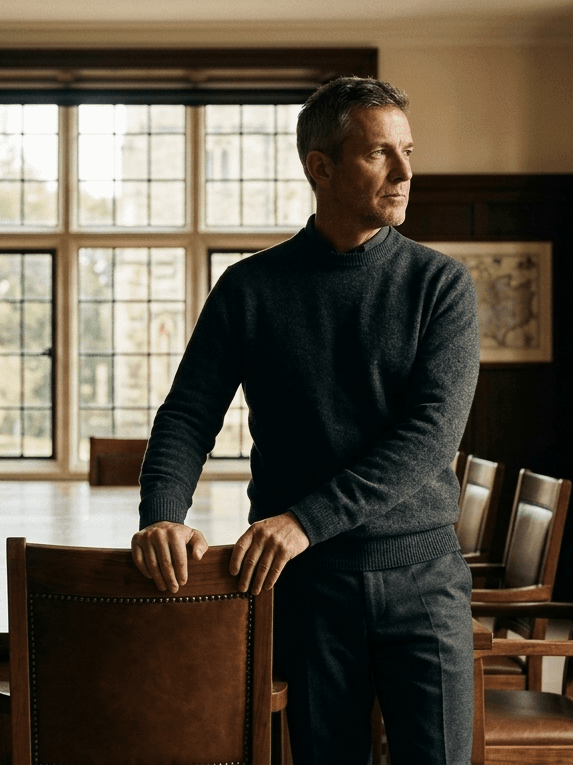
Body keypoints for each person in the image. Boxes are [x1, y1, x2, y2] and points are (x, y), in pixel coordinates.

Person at [130, 76, 481, 764]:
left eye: (408, 150)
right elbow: (186, 416)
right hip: (308, 591)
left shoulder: (440, 285)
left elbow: (429, 436)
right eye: (381, 153)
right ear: (320, 167)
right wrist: (160, 513)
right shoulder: (249, 288)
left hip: (424, 580)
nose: (406, 172)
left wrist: (302, 519)